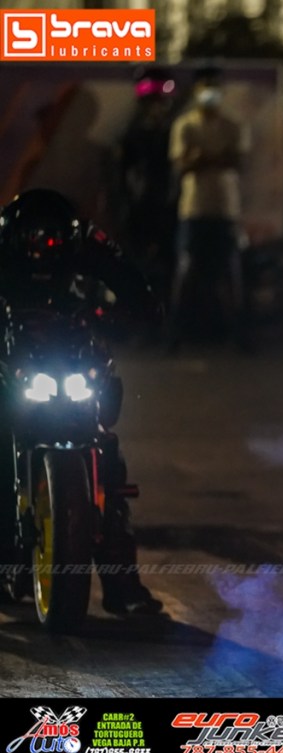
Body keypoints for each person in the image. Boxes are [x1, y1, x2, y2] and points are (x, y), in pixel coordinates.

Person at [0, 188, 164, 614]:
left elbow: (129, 281)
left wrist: (141, 308)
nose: (44, 251)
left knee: (108, 459)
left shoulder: (87, 240)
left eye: (53, 244)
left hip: (67, 346)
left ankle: (122, 586)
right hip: (9, 345)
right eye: (36, 244)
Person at [166, 65, 250, 352]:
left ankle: (238, 336)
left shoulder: (233, 125)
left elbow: (238, 162)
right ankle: (174, 336)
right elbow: (182, 165)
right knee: (186, 271)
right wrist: (215, 157)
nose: (210, 93)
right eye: (205, 86)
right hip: (193, 210)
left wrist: (201, 157)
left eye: (215, 86)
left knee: (230, 272)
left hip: (226, 210)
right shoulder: (185, 125)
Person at [118, 66, 180, 309]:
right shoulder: (133, 134)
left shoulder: (174, 132)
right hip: (141, 210)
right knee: (139, 267)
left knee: (168, 269)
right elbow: (124, 174)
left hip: (169, 210)